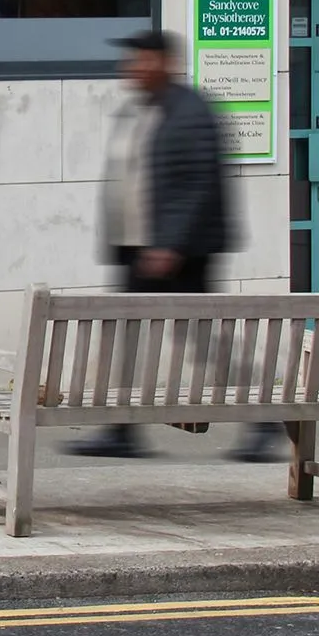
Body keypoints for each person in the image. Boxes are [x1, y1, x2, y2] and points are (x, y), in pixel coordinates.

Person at [71, 28, 279, 463]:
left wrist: (169, 245)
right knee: (128, 337)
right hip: (137, 248)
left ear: (164, 63)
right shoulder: (140, 110)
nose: (133, 68)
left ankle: (263, 422)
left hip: (176, 253)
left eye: (142, 60)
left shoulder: (190, 110)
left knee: (203, 339)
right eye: (131, 61)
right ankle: (122, 430)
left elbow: (197, 183)